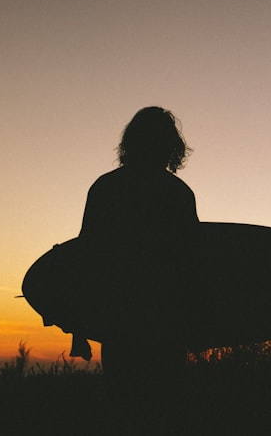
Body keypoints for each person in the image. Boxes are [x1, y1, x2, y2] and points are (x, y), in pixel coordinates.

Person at [74, 106, 199, 393]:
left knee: (125, 406)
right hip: (163, 320)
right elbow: (192, 265)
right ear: (170, 146)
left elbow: (86, 258)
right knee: (161, 407)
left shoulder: (106, 188)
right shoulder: (178, 193)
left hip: (122, 320)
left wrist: (79, 326)